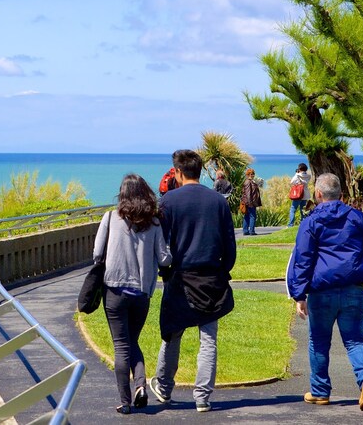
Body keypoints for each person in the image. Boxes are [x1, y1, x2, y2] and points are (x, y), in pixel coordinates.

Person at [151, 150, 236, 413]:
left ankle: (164, 387)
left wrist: (164, 272)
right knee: (208, 339)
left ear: (177, 172)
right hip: (211, 276)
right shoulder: (218, 201)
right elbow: (230, 246)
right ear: (199, 171)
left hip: (179, 276)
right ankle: (202, 396)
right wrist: (223, 270)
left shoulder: (169, 202)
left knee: (172, 334)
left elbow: (160, 245)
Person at [286, 173, 363, 411]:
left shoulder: (311, 222)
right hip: (353, 289)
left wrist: (299, 295)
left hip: (322, 291)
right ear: (341, 193)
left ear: (318, 194)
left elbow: (303, 259)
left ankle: (320, 392)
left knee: (318, 341)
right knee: (355, 341)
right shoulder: (357, 217)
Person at [93, 173, 173, 415]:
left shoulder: (110, 217)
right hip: (141, 293)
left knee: (121, 345)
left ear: (123, 194)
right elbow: (164, 258)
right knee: (131, 341)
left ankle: (125, 401)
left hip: (114, 291)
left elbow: (97, 253)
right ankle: (140, 386)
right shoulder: (155, 223)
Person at [240, 168, 262, 235]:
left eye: (253, 174)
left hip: (250, 202)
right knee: (252, 216)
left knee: (247, 216)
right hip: (250, 203)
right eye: (251, 174)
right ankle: (251, 231)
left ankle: (246, 230)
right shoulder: (248, 182)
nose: (252, 175)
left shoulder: (251, 182)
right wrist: (250, 203)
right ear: (248, 174)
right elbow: (248, 193)